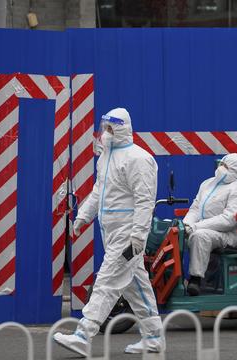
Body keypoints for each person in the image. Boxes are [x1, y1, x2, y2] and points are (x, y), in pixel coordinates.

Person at [53, 108, 165, 355]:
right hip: (111, 232)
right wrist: (83, 216)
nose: (106, 132)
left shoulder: (139, 159)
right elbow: (98, 191)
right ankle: (154, 337)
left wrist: (137, 236)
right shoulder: (106, 156)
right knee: (136, 286)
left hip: (127, 234)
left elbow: (145, 200)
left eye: (111, 127)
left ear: (123, 127)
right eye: (105, 126)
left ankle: (84, 334)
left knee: (106, 281)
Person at [183, 153, 237, 296]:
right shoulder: (208, 183)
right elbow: (195, 208)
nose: (221, 168)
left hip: (230, 234)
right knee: (177, 234)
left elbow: (229, 221)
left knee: (200, 236)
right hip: (205, 228)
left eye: (225, 166)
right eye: (221, 164)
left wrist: (197, 226)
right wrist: (187, 223)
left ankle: (195, 280)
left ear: (235, 170)